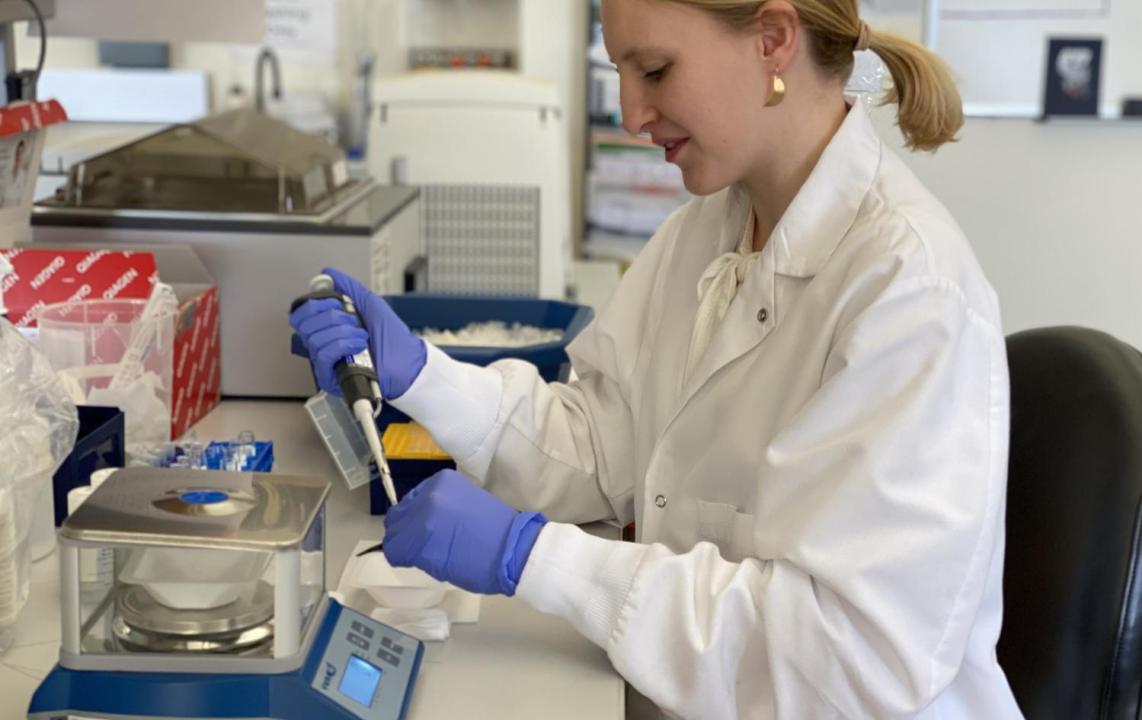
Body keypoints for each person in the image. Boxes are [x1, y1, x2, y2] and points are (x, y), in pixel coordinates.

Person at [290, 1, 1023, 717]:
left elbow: (848, 662)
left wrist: (536, 559)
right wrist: (423, 374)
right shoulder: (706, 232)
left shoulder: (908, 290)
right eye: (621, 74)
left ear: (773, 40)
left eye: (656, 70)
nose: (633, 114)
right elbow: (604, 445)